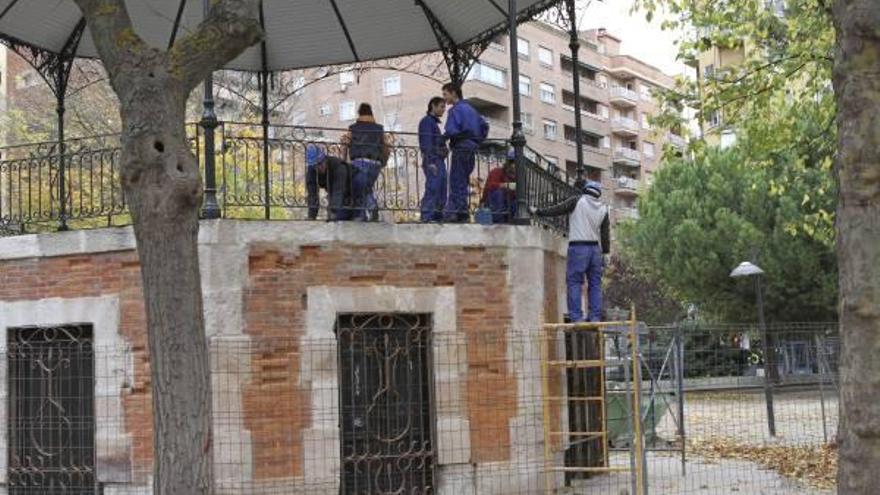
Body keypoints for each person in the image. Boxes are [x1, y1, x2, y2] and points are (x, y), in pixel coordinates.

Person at [530, 172, 610, 322]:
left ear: (585, 190)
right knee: (595, 284)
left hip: (578, 247)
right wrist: (605, 252)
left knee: (574, 282)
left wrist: (538, 211)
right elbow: (605, 234)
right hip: (595, 250)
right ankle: (594, 317)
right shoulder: (603, 209)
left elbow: (558, 209)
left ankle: (576, 317)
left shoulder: (578, 200)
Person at [441, 82, 489, 223]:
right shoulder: (472, 110)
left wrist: (442, 139)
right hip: (471, 149)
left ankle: (458, 213)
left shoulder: (455, 110)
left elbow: (451, 130)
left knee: (457, 181)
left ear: (454, 93)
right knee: (462, 181)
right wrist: (477, 141)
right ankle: (460, 212)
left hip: (461, 148)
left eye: (445, 94)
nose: (444, 98)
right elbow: (484, 126)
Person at [341, 103, 393, 221]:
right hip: (375, 164)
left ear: (359, 113)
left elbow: (345, 144)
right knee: (365, 187)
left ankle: (368, 209)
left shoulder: (353, 128)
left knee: (358, 186)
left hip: (359, 162)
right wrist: (384, 162)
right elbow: (386, 148)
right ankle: (366, 213)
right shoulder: (379, 129)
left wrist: (342, 162)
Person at [305, 144, 355, 221]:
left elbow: (338, 190)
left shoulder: (338, 167)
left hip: (350, 189)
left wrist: (333, 212)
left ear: (325, 159)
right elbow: (312, 193)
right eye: (316, 166)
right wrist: (311, 216)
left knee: (340, 215)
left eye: (320, 163)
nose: (319, 168)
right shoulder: (312, 170)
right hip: (334, 192)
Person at [418, 97, 448, 222]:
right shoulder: (427, 122)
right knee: (433, 187)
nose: (443, 109)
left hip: (437, 159)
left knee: (441, 188)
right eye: (441, 106)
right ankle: (427, 216)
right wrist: (430, 161)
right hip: (433, 160)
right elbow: (427, 143)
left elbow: (435, 142)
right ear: (433, 106)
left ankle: (437, 216)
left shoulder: (432, 123)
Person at [480, 150, 517, 223]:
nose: (513, 165)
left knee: (517, 202)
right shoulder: (497, 172)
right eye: (511, 162)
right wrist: (504, 185)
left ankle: (512, 221)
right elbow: (490, 187)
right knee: (499, 193)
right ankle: (498, 221)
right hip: (492, 205)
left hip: (507, 205)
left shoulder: (517, 177)